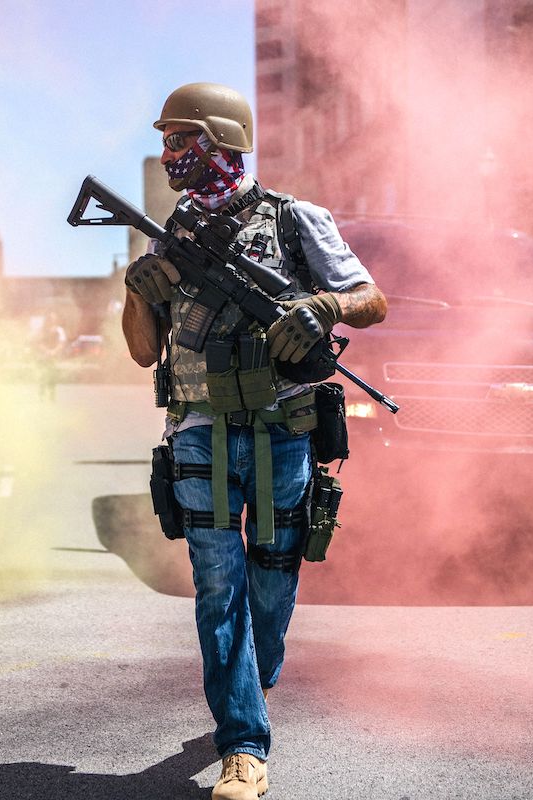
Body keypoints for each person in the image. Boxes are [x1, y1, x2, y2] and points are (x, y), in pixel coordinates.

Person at [120, 83, 387, 800]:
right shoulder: (166, 236)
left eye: (183, 139)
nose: (171, 154)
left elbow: (371, 298)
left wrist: (324, 303)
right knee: (217, 583)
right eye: (168, 141)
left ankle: (254, 679)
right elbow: (144, 353)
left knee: (273, 575)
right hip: (199, 431)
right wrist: (136, 291)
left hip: (283, 429)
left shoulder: (296, 219)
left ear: (221, 140)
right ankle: (243, 743)